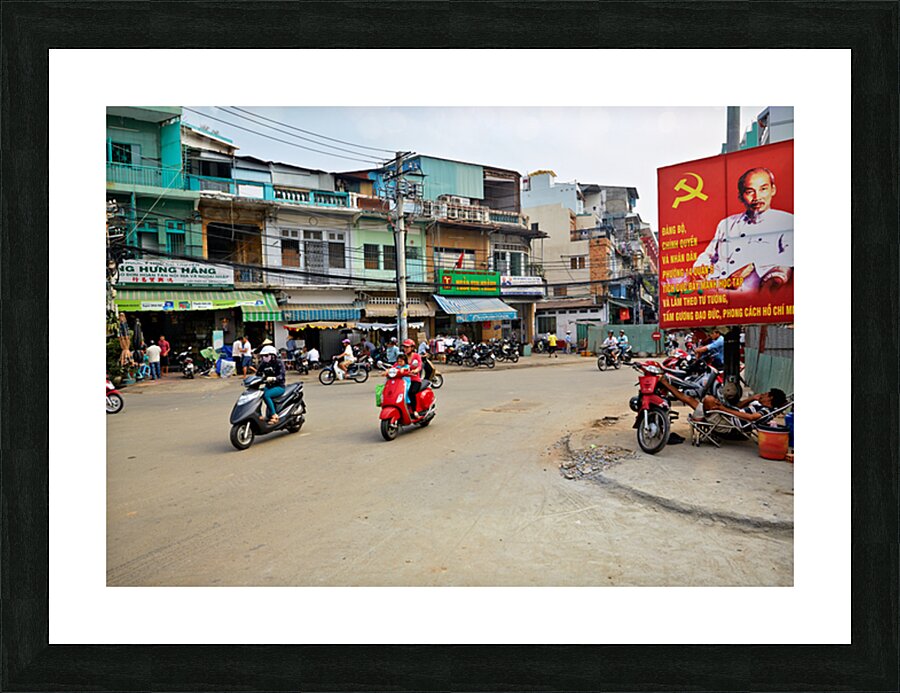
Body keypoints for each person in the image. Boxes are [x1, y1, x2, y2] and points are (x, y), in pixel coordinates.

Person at [693, 167, 793, 291]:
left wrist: (752, 266)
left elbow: (790, 255)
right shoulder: (726, 224)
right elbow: (709, 255)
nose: (757, 197)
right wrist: (700, 267)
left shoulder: (787, 222)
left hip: (745, 297)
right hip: (713, 290)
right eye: (750, 191)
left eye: (763, 189)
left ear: (773, 190)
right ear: (741, 196)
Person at [659, 376, 787, 426]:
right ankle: (666, 384)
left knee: (706, 399)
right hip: (728, 413)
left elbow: (752, 417)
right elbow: (738, 406)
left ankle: (665, 383)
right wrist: (751, 399)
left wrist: (722, 409)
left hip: (727, 420)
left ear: (770, 398)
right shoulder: (757, 404)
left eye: (766, 394)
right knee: (691, 399)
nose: (763, 394)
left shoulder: (766, 410)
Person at [257, 345, 286, 425]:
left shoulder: (279, 362)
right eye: (263, 356)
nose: (264, 358)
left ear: (273, 355)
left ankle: (274, 415)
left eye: (266, 356)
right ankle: (258, 415)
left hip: (279, 386)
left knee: (266, 395)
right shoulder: (263, 363)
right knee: (258, 395)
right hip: (268, 386)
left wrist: (274, 378)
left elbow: (282, 375)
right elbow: (258, 374)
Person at [400, 338, 424, 413]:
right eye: (404, 347)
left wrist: (416, 370)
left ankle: (414, 411)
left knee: (411, 392)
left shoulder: (416, 356)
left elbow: (419, 365)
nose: (405, 349)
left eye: (407, 347)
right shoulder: (403, 357)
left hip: (415, 380)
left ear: (412, 348)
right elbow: (396, 364)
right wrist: (389, 370)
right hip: (404, 380)